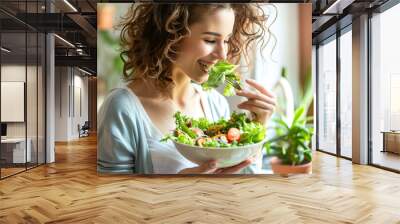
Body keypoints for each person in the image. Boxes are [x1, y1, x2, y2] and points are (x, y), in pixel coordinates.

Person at [97, 3, 276, 174]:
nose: (222, 54)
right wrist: (182, 185)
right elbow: (113, 197)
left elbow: (241, 183)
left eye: (227, 40)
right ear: (172, 34)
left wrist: (259, 125)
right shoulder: (122, 108)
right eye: (210, 40)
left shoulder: (215, 103)